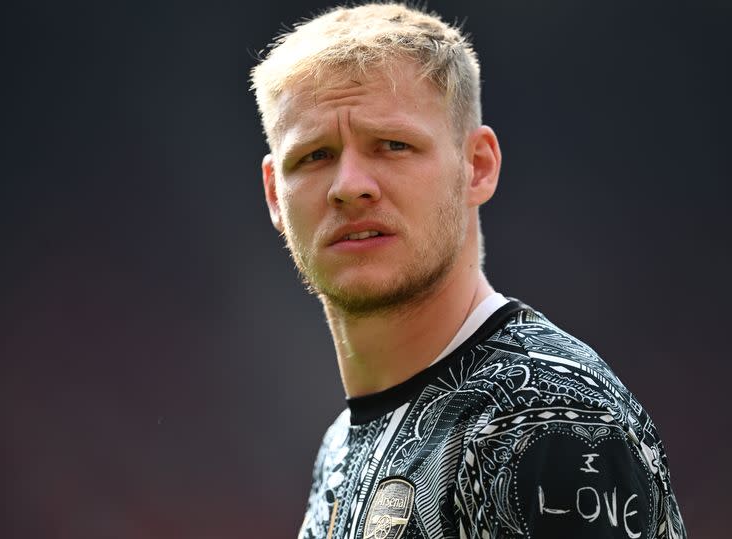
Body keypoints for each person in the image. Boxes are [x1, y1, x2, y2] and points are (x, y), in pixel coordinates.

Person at [250, 3, 686, 538]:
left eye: (393, 145)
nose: (349, 184)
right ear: (275, 194)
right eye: (314, 156)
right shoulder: (341, 446)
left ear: (477, 165)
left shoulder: (550, 421)